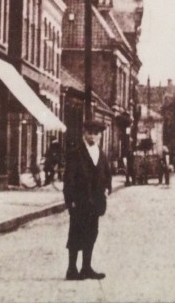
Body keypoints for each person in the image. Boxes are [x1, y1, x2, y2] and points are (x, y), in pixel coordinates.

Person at [63, 119, 112, 281]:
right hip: (80, 201)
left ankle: (86, 267)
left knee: (92, 233)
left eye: (96, 133)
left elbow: (106, 174)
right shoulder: (76, 153)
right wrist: (70, 200)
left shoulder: (102, 154)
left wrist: (107, 188)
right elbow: (69, 179)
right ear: (84, 133)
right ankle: (71, 269)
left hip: (95, 202)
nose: (92, 136)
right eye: (89, 133)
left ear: (100, 136)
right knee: (76, 233)